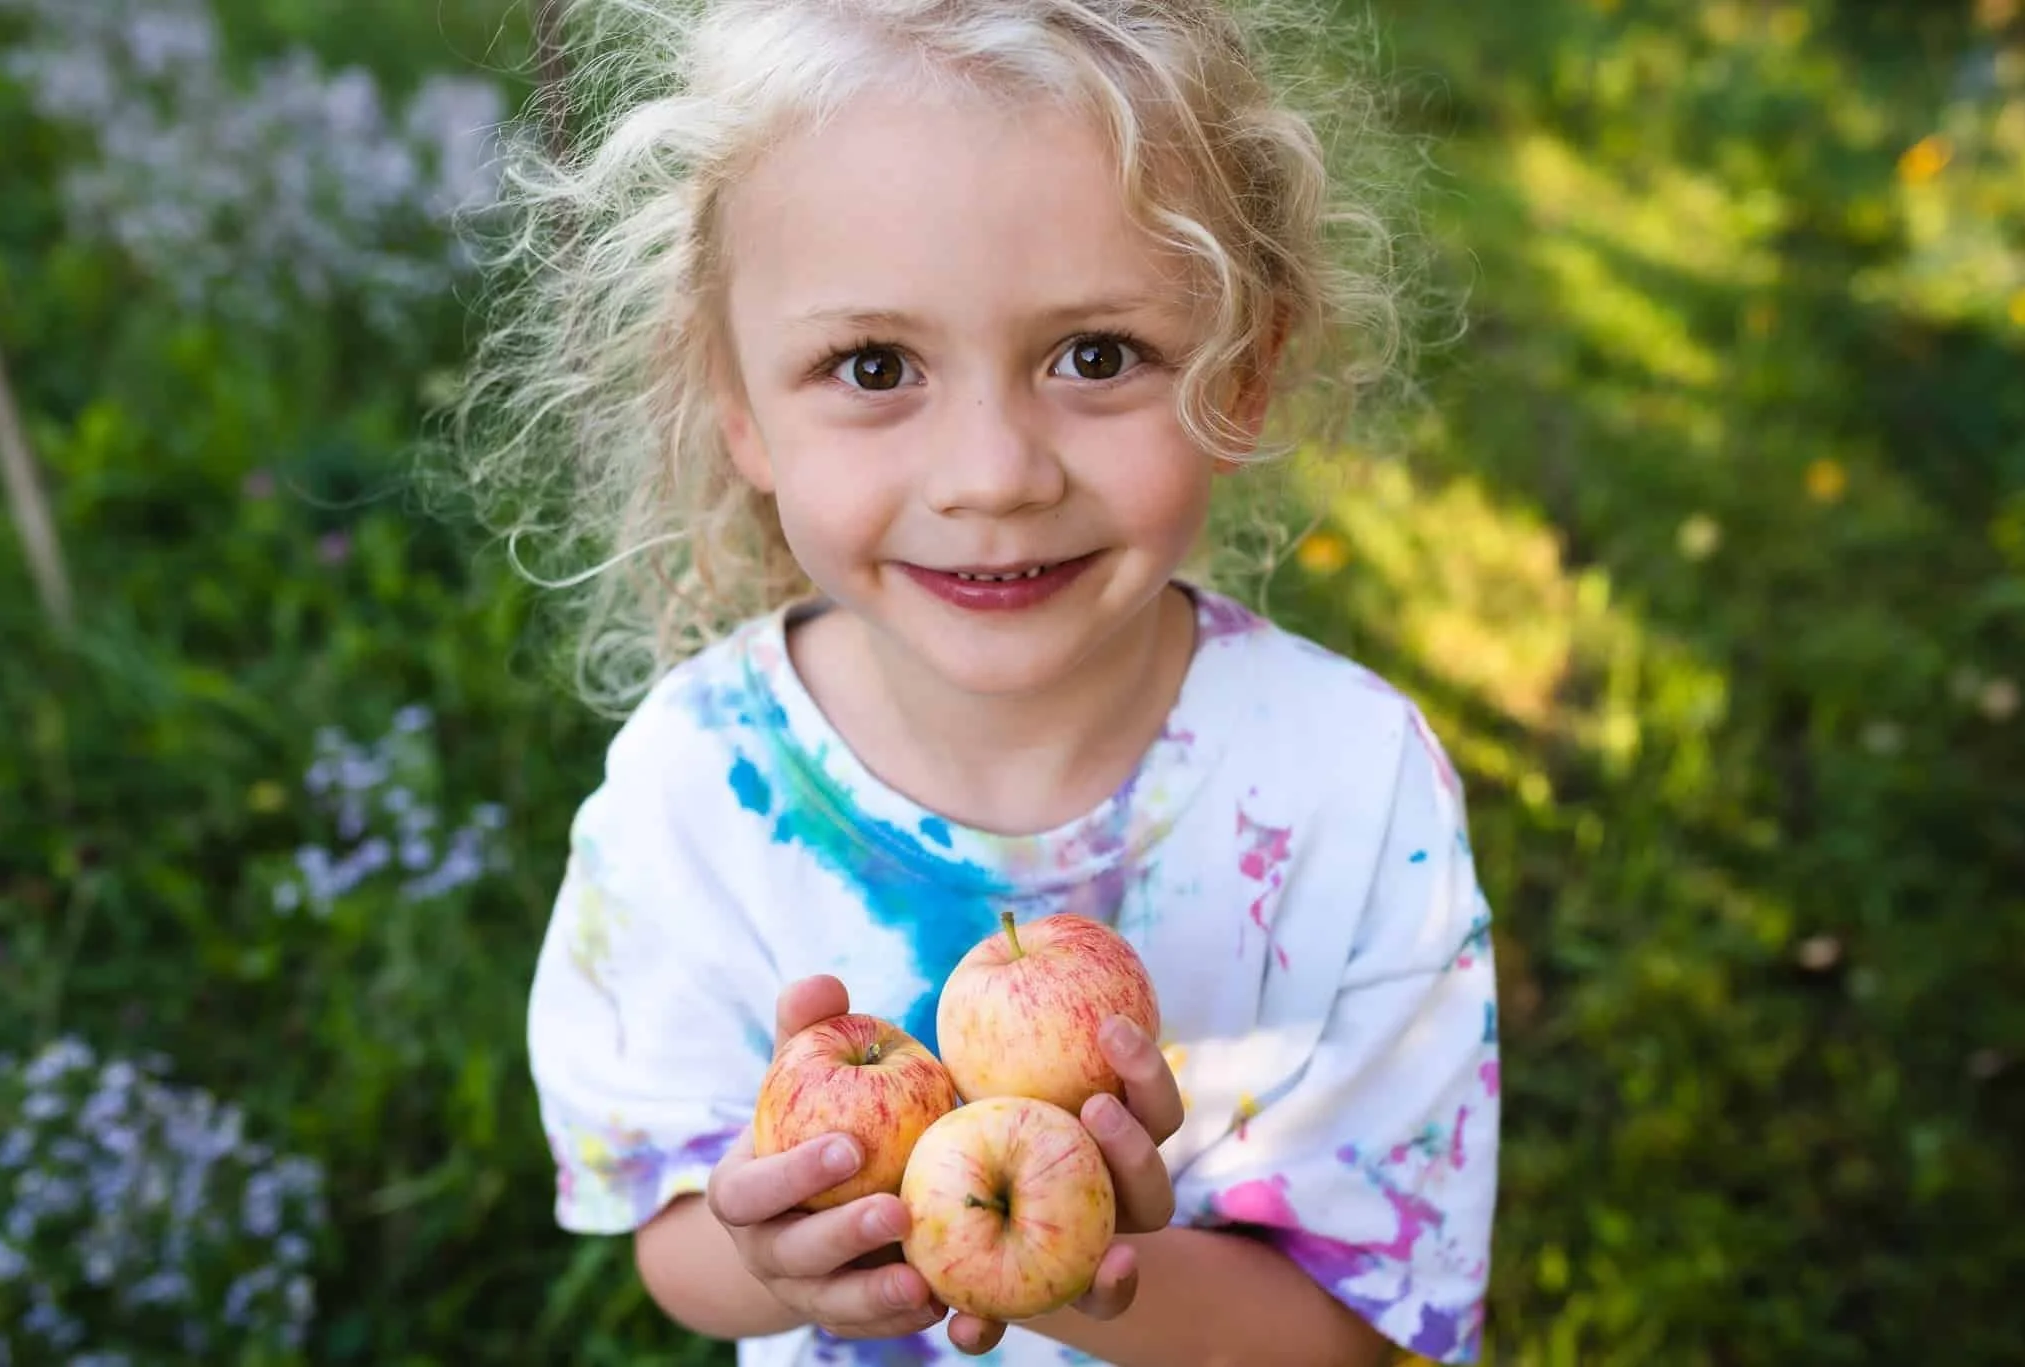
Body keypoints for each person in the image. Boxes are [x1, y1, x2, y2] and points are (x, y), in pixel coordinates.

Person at [461, 1, 1501, 1363]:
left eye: (1096, 355)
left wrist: (1066, 1264)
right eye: (874, 366)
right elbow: (670, 1238)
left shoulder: (1350, 788)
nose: (994, 475)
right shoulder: (697, 788)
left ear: (1241, 372)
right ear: (739, 402)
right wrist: (780, 1251)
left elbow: (1363, 1336)